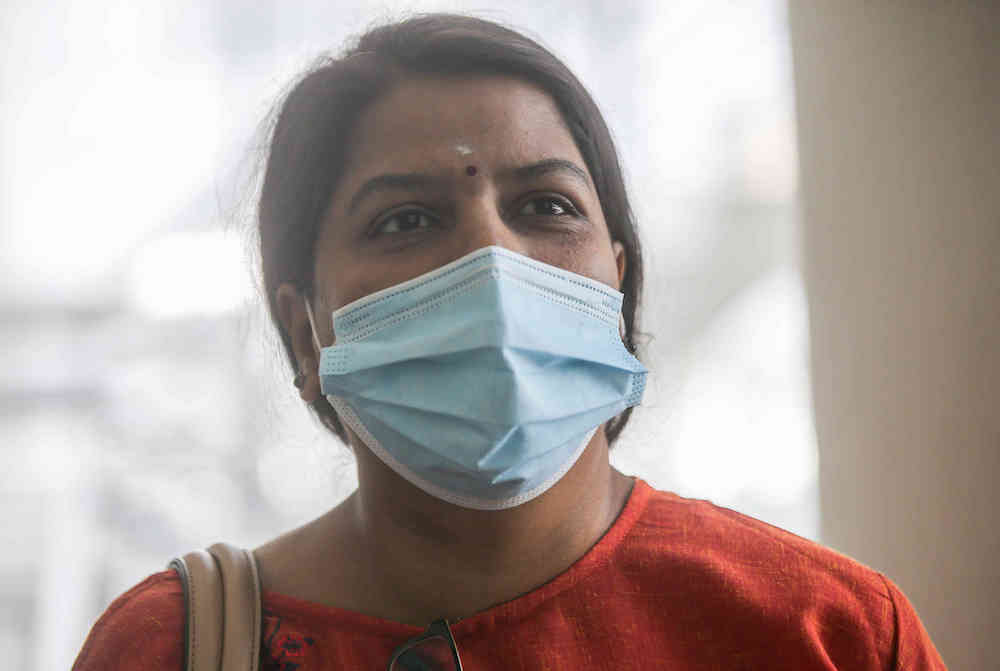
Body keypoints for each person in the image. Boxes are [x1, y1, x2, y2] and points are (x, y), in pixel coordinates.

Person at [72, 13, 946, 670]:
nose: (492, 258)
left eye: (546, 206)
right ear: (307, 331)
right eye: (406, 219)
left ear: (616, 285)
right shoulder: (169, 648)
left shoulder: (826, 633)